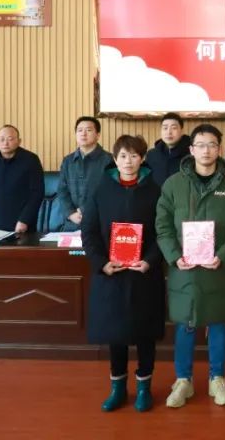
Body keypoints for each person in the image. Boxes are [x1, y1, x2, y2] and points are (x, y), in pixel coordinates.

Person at [156, 123, 225, 409]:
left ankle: (217, 378)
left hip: (217, 266)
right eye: (200, 145)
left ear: (219, 149)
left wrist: (223, 254)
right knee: (185, 322)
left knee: (218, 322)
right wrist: (174, 256)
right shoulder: (173, 184)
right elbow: (162, 225)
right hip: (183, 268)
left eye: (211, 144)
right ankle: (183, 380)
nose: (206, 150)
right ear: (191, 149)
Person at [79, 134, 165, 413]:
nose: (128, 162)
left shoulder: (155, 190)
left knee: (145, 334)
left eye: (134, 156)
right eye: (123, 156)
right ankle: (117, 388)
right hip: (112, 274)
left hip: (144, 274)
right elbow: (89, 232)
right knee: (115, 333)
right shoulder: (101, 190)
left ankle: (144, 389)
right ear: (115, 160)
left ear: (142, 159)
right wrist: (101, 263)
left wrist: (150, 261)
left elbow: (164, 232)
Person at [52, 116, 112, 232]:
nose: (83, 134)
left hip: (99, 222)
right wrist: (70, 213)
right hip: (72, 223)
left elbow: (109, 192)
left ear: (98, 135)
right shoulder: (68, 161)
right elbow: (62, 190)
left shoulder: (108, 160)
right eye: (80, 130)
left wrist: (85, 211)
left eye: (88, 130)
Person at [145, 112, 192, 186]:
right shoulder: (152, 154)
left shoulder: (192, 154)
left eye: (174, 128)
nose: (169, 132)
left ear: (182, 130)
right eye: (165, 128)